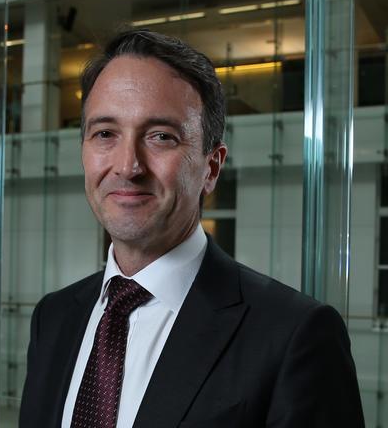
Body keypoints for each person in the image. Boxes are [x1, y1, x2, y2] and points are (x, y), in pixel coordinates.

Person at [19, 29, 364, 428]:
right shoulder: (54, 317)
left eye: (161, 136)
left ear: (211, 169)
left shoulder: (295, 335)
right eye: (105, 134)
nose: (128, 166)